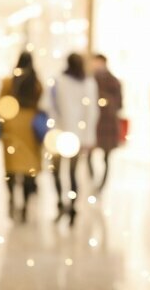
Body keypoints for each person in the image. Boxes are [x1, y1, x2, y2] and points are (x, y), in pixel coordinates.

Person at [51, 53, 99, 224]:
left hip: (59, 133)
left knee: (56, 171)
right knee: (72, 172)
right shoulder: (88, 83)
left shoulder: (59, 81)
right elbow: (91, 112)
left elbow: (51, 107)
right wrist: (88, 138)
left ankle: (61, 203)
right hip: (77, 136)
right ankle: (72, 206)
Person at [0, 52, 43, 223]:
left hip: (11, 127)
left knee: (10, 167)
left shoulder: (8, 83)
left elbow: (1, 103)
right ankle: (24, 206)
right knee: (28, 169)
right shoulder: (36, 84)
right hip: (30, 127)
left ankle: (11, 197)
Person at [88, 54, 122, 193]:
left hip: (108, 123)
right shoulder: (90, 80)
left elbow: (119, 103)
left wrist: (105, 102)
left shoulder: (113, 81)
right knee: (89, 153)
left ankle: (101, 185)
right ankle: (93, 181)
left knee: (106, 156)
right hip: (94, 122)